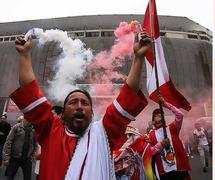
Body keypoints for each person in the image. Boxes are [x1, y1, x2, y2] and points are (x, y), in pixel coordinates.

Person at [9, 31, 151, 180]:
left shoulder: (105, 132)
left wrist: (139, 57)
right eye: (72, 102)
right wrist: (24, 54)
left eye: (84, 103)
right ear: (62, 114)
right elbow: (29, 91)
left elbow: (127, 95)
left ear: (92, 113)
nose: (79, 106)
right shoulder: (51, 129)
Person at [148, 96, 191, 180]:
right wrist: (161, 145)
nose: (159, 115)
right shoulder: (150, 135)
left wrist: (165, 104)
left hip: (178, 168)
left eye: (161, 114)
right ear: (153, 121)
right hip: (164, 172)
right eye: (156, 115)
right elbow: (149, 153)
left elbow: (180, 115)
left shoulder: (172, 128)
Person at [2, 116, 37, 180]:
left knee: (28, 177)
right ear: (24, 119)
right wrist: (6, 157)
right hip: (15, 158)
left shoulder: (33, 129)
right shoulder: (16, 127)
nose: (29, 121)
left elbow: (35, 143)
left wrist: (34, 154)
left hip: (27, 159)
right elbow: (8, 142)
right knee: (10, 177)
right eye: (27, 119)